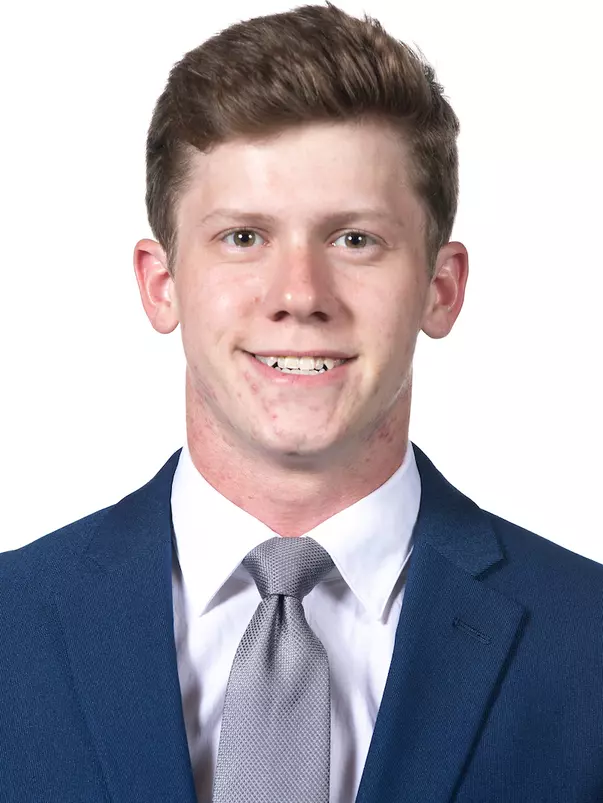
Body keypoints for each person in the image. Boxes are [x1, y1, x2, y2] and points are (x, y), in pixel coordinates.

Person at [1, 2, 601, 802]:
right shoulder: (12, 625)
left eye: (355, 239)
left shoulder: (587, 641)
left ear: (441, 288)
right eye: (243, 237)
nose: (299, 294)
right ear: (161, 283)